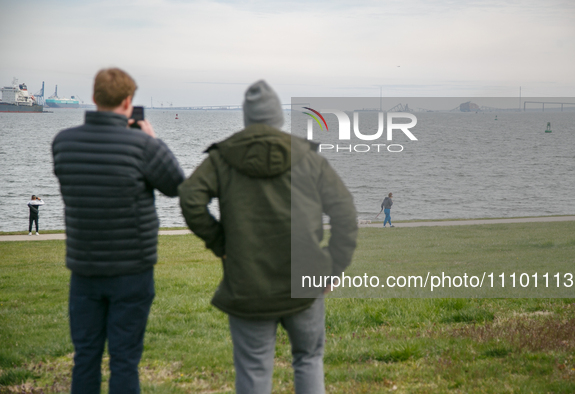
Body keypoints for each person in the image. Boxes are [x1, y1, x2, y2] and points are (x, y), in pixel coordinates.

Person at [179, 80, 357, 394]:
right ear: (278, 118)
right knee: (309, 359)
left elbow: (190, 197)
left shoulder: (222, 158)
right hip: (305, 282)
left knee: (254, 369)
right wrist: (333, 266)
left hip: (248, 286)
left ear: (247, 118)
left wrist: (221, 244)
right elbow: (344, 211)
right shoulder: (307, 156)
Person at [52, 68, 185, 394]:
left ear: (95, 98)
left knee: (86, 357)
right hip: (132, 270)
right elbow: (176, 185)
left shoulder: (63, 144)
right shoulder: (142, 146)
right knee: (124, 360)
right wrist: (152, 138)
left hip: (84, 269)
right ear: (128, 102)